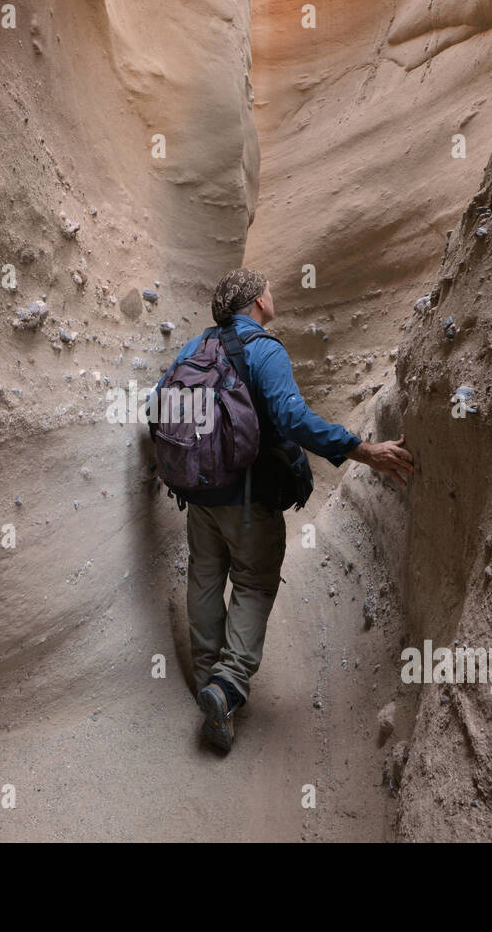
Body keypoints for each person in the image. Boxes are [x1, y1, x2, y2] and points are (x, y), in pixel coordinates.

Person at [154, 267, 414, 752]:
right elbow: (292, 417)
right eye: (268, 289)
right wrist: (362, 450)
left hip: (200, 495)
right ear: (255, 300)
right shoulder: (263, 349)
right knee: (253, 582)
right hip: (250, 497)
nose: (273, 295)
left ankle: (209, 680)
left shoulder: (193, 349)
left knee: (205, 578)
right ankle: (227, 686)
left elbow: (158, 408)